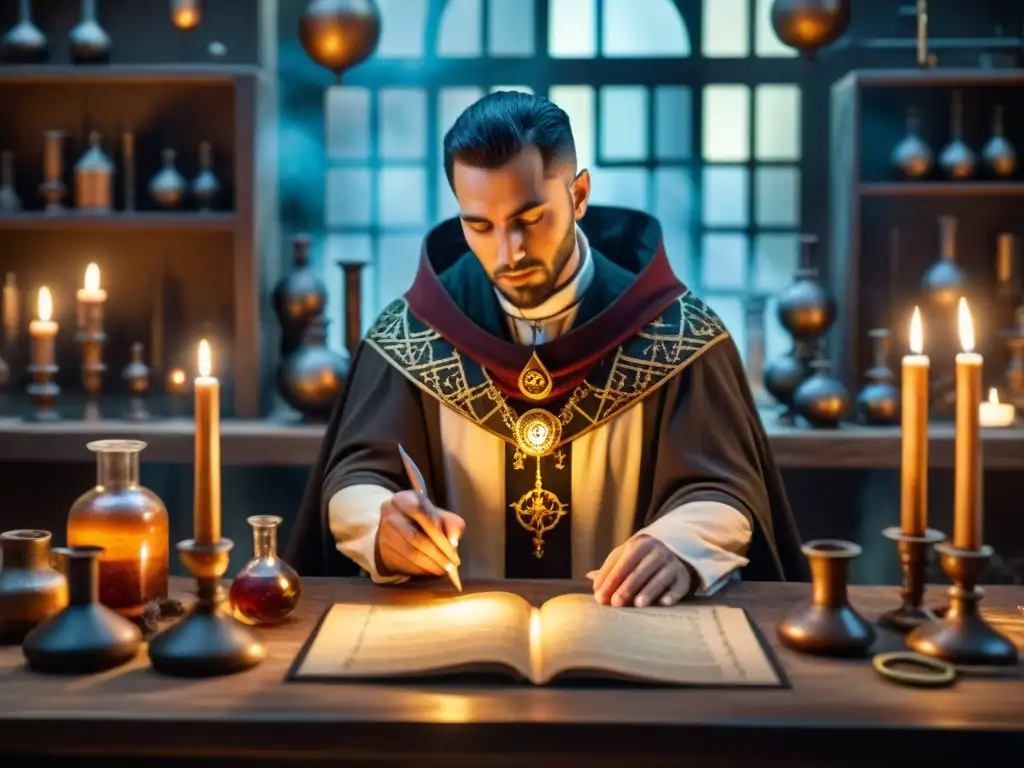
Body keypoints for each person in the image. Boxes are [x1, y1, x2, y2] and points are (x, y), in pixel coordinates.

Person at [286, 91, 805, 607]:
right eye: (480, 225)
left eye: (530, 219)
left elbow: (727, 487)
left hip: (629, 631)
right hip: (454, 635)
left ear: (579, 195)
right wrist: (383, 523)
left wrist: (679, 545)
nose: (507, 252)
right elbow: (355, 474)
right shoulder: (412, 333)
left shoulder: (677, 333)